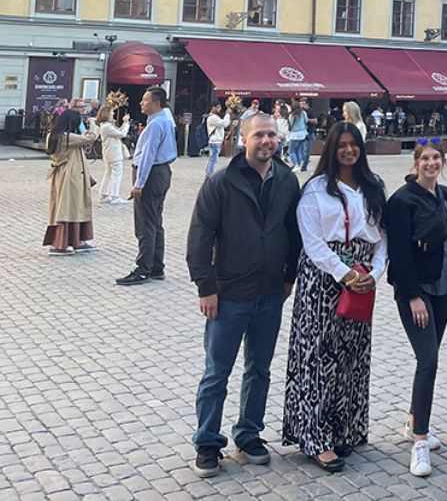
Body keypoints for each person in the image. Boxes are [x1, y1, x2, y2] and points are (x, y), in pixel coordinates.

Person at [186, 112, 302, 478]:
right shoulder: (221, 183)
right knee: (216, 372)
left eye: (272, 135)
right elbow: (200, 236)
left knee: (259, 369)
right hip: (230, 293)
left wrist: (289, 276)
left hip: (269, 293)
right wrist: (206, 286)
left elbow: (293, 232)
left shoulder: (286, 180)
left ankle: (249, 432)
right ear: (243, 139)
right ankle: (207, 441)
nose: (267, 141)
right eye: (259, 136)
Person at [283, 122, 387, 472]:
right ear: (331, 149)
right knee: (318, 356)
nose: (348, 150)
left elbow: (382, 238)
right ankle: (315, 437)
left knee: (352, 357)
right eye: (341, 145)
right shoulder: (316, 189)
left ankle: (345, 429)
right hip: (323, 279)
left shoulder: (373, 187)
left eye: (353, 144)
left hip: (361, 277)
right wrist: (345, 274)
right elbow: (311, 242)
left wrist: (373, 272)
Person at [386, 139, 447, 477]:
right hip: (416, 293)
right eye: (425, 158)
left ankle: (413, 419)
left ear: (443, 161)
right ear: (415, 163)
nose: (431, 163)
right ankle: (420, 439)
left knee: (432, 356)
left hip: (443, 288)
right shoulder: (402, 201)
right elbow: (399, 254)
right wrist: (412, 294)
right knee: (428, 360)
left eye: (436, 157)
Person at [116, 86, 176, 286]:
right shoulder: (166, 120)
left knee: (145, 224)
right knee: (155, 222)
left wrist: (138, 184)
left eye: (145, 100)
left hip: (152, 174)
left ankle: (143, 268)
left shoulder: (155, 125)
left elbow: (148, 156)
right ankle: (156, 266)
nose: (141, 103)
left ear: (156, 103)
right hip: (162, 172)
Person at [43, 109, 99, 256]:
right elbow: (91, 137)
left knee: (70, 206)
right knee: (70, 207)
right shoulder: (67, 138)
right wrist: (93, 123)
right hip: (71, 177)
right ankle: (62, 243)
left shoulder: (53, 135)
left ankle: (76, 240)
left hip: (63, 175)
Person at [97, 105, 130, 204]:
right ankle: (115, 196)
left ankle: (104, 194)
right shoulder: (107, 127)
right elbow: (122, 134)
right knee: (117, 174)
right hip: (113, 153)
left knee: (108, 173)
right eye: (111, 112)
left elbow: (119, 131)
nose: (113, 114)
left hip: (109, 153)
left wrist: (124, 123)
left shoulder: (106, 125)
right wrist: (126, 124)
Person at [205, 104, 231, 177]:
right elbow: (224, 124)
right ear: (213, 107)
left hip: (215, 140)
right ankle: (209, 175)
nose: (220, 109)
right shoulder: (213, 118)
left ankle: (209, 174)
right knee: (213, 160)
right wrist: (227, 115)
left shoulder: (212, 117)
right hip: (215, 141)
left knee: (212, 159)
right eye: (218, 107)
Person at [287, 102, 309, 171]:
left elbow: (290, 124)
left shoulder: (292, 115)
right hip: (303, 133)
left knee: (291, 151)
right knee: (298, 150)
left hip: (295, 134)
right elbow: (306, 121)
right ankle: (299, 166)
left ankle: (296, 164)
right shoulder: (303, 113)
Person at [299, 98, 319, 172]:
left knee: (307, 150)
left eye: (303, 104)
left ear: (307, 104)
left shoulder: (311, 111)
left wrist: (307, 119)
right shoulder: (300, 111)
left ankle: (304, 166)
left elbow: (315, 121)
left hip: (309, 132)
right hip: (300, 132)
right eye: (300, 104)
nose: (301, 105)